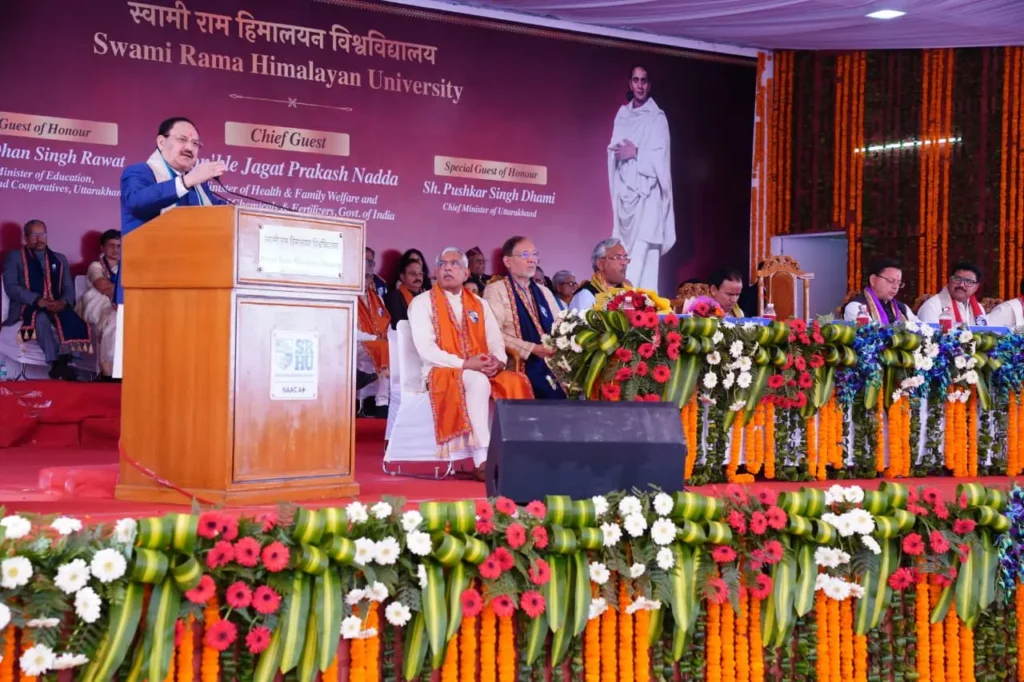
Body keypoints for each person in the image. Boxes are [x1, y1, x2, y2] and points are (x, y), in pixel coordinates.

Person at [115, 117, 227, 378]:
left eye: (196, 143)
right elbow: (137, 202)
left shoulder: (199, 187)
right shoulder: (139, 172)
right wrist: (186, 182)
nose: (190, 147)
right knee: (146, 373)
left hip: (194, 289)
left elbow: (219, 217)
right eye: (183, 139)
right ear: (161, 141)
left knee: (185, 372)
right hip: (146, 286)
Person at [408, 247, 533, 478]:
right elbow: (426, 350)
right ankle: (483, 458)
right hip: (440, 371)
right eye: (442, 264)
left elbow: (495, 341)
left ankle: (519, 453)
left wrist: (498, 362)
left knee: (515, 380)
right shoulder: (422, 303)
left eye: (454, 263)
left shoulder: (479, 304)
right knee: (476, 380)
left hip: (481, 368)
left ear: (466, 273)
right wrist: (466, 364)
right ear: (435, 272)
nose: (447, 268)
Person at [608, 65, 676, 292]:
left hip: (648, 197)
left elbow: (661, 159)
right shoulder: (622, 115)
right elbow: (613, 151)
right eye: (635, 80)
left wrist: (636, 152)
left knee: (646, 261)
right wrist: (619, 154)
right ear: (630, 83)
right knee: (624, 259)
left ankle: (644, 309)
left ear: (649, 85)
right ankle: (624, 306)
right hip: (626, 195)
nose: (639, 85)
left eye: (643, 81)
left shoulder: (657, 118)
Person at [2, 220, 91, 380]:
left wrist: (62, 302)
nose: (39, 239)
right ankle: (55, 362)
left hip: (55, 305)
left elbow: (68, 288)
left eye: (42, 234)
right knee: (40, 317)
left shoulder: (59, 259)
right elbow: (11, 286)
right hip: (26, 306)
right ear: (25, 237)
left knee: (70, 317)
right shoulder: (15, 257)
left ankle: (65, 361)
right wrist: (37, 300)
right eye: (34, 235)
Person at [484, 236, 566, 400]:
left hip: (551, 360)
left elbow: (561, 325)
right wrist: (532, 349)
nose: (532, 260)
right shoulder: (496, 290)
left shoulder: (544, 291)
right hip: (518, 363)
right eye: (525, 255)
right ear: (507, 261)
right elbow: (493, 334)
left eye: (534, 254)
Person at [75, 229, 121, 378]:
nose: (116, 249)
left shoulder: (126, 266)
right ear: (102, 247)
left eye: (119, 246)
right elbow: (102, 286)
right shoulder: (95, 266)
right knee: (115, 321)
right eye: (111, 245)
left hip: (121, 304)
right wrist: (122, 293)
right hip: (97, 306)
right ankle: (108, 371)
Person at [356, 254, 391, 416]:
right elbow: (347, 330)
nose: (366, 280)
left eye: (369, 276)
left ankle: (381, 402)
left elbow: (386, 325)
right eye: (362, 275)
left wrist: (385, 339)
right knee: (384, 348)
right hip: (353, 343)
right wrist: (374, 339)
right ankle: (381, 403)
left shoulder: (377, 299)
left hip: (377, 343)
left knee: (390, 349)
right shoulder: (347, 297)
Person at [843, 259, 918, 323]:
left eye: (899, 283)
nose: (895, 287)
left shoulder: (902, 308)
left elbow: (921, 329)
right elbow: (870, 333)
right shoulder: (857, 308)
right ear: (873, 280)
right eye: (891, 280)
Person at [569, 238, 631, 310]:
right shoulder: (585, 296)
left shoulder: (626, 291)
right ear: (600, 264)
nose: (624, 263)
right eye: (618, 257)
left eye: (625, 258)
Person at [917, 261, 985, 325]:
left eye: (968, 281)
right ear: (950, 280)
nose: (961, 285)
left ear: (976, 287)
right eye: (957, 279)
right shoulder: (932, 306)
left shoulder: (980, 309)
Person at [385, 255, 425, 329]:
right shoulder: (394, 297)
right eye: (413, 273)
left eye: (420, 274)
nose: (418, 277)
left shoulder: (426, 297)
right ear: (402, 277)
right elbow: (397, 326)